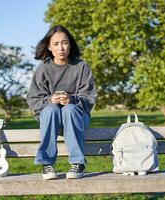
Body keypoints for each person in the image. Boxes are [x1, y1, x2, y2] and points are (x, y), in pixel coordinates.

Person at [26, 25, 97, 180]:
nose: (61, 48)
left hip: (76, 118)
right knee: (52, 109)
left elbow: (89, 98)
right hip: (51, 120)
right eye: (56, 44)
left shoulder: (82, 67)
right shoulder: (43, 69)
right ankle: (47, 164)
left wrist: (71, 100)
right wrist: (50, 100)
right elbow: (33, 99)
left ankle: (78, 163)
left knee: (69, 109)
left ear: (70, 44)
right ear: (49, 47)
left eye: (64, 43)